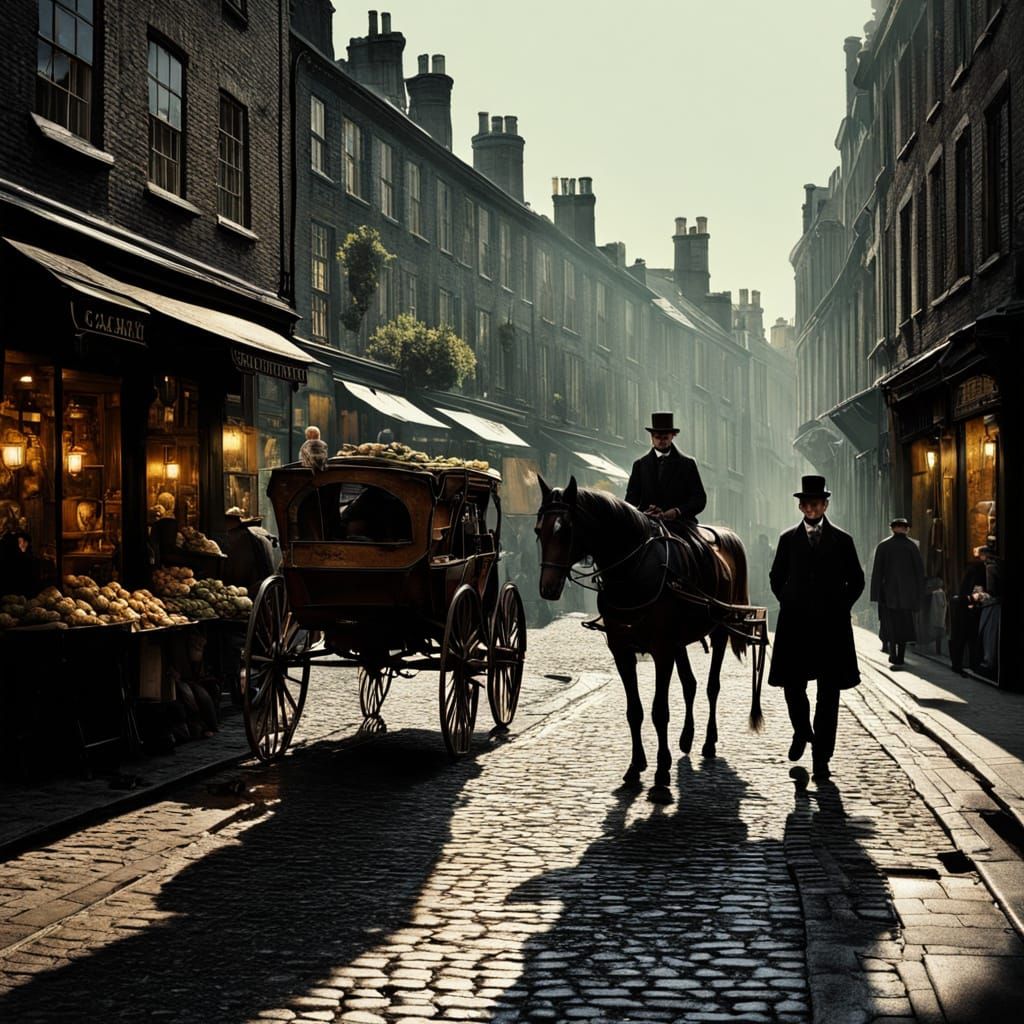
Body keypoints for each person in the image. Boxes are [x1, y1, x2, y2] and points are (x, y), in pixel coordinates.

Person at [767, 475, 865, 782]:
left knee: (829, 694)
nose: (811, 509)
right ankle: (801, 731)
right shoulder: (787, 539)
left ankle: (821, 757)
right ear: (800, 506)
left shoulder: (842, 540)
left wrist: (841, 606)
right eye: (806, 504)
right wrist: (788, 599)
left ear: (825, 505)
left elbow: (858, 580)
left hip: (830, 628)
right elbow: (775, 576)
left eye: (816, 503)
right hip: (795, 625)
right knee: (793, 687)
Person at [624, 411, 706, 535]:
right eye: (657, 437)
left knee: (696, 551)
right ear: (651, 437)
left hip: (681, 525)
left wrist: (677, 511)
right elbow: (630, 501)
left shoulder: (687, 464)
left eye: (665, 437)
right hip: (647, 525)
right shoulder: (640, 465)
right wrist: (643, 513)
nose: (661, 441)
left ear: (673, 436)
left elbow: (699, 499)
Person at [869, 517, 925, 668]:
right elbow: (919, 572)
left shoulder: (884, 546)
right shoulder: (912, 547)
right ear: (906, 529)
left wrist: (875, 594)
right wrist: (919, 593)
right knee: (905, 626)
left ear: (892, 528)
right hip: (907, 595)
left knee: (890, 625)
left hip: (889, 595)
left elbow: (877, 572)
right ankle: (900, 655)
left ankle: (893, 653)